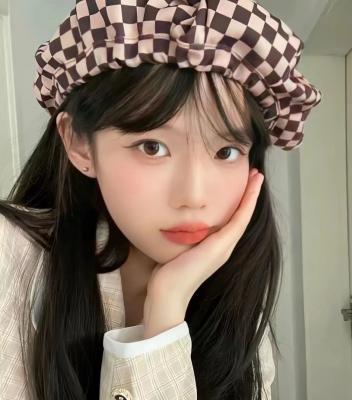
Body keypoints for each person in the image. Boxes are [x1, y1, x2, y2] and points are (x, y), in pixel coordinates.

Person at [0, 0, 322, 399]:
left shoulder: (237, 303)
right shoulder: (10, 259)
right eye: (152, 147)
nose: (194, 196)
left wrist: (167, 306)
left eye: (226, 152)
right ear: (80, 144)